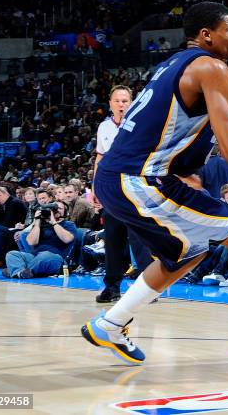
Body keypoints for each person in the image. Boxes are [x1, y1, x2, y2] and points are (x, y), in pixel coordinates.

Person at [82, 2, 228, 372]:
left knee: (189, 251)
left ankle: (110, 323)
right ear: (207, 35)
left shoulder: (174, 65)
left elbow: (213, 123)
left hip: (118, 178)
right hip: (139, 179)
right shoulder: (210, 67)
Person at [92, 85, 155, 303]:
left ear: (132, 103)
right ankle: (112, 287)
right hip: (111, 189)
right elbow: (99, 159)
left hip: (135, 188)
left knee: (140, 239)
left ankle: (149, 289)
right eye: (117, 101)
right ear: (110, 103)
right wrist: (94, 187)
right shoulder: (103, 128)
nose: (121, 104)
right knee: (113, 241)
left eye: (125, 101)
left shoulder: (141, 124)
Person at [2, 201, 76, 279]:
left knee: (45, 255)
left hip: (56, 259)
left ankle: (16, 270)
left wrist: (54, 222)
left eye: (60, 208)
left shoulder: (68, 224)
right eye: (54, 208)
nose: (57, 210)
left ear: (65, 212)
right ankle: (21, 273)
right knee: (12, 254)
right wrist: (37, 222)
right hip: (35, 257)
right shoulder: (40, 224)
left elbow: (67, 239)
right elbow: (31, 242)